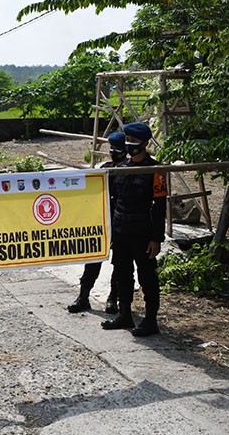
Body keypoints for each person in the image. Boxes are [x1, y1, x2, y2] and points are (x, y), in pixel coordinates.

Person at [102, 122, 167, 337]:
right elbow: (112, 199)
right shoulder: (120, 168)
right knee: (122, 272)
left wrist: (156, 238)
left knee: (147, 275)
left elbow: (159, 206)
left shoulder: (156, 170)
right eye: (127, 141)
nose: (129, 145)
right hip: (121, 228)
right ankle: (125, 314)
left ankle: (150, 320)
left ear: (145, 143)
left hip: (142, 230)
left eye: (134, 142)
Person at [67, 132, 127, 314]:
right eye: (111, 148)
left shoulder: (129, 169)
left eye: (116, 148)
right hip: (101, 221)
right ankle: (83, 296)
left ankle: (112, 299)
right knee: (93, 259)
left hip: (121, 222)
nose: (112, 151)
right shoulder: (105, 168)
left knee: (119, 262)